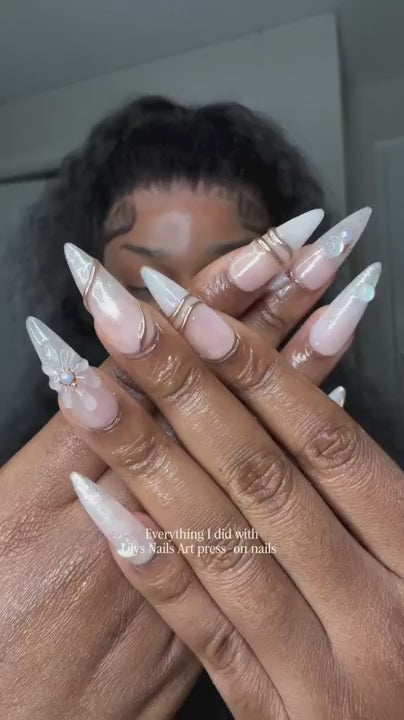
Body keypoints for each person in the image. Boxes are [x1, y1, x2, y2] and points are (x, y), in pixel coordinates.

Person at [2, 96, 403, 719]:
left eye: (244, 284)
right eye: (140, 291)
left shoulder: (383, 496)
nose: (183, 333)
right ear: (90, 308)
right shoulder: (17, 500)